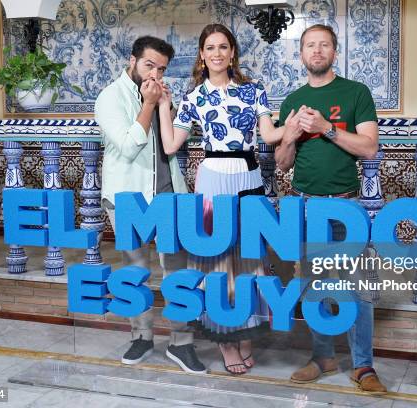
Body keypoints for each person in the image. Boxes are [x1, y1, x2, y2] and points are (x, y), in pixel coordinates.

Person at [156, 23, 286, 375]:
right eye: (210, 47)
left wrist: (298, 124)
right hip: (212, 178)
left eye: (223, 47)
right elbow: (171, 145)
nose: (216, 53)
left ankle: (246, 335)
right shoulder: (194, 97)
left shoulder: (254, 91)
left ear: (232, 53)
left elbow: (270, 134)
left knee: (251, 260)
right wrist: (166, 105)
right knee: (215, 262)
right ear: (202, 54)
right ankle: (227, 342)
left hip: (249, 177)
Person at [274, 24, 387, 394]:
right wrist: (288, 137)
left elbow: (370, 148)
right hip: (307, 208)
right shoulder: (293, 100)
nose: (317, 51)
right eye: (310, 45)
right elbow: (282, 163)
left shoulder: (355, 93)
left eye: (324, 45)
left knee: (359, 289)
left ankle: (362, 365)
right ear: (302, 54)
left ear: (334, 52)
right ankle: (322, 357)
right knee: (312, 286)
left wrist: (326, 128)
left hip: (346, 208)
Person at [94, 36, 206, 374]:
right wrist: (148, 104)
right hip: (128, 196)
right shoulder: (109, 98)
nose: (155, 74)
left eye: (161, 68)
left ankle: (181, 344)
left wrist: (163, 107)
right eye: (149, 65)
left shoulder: (159, 96)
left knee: (178, 270)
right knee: (134, 270)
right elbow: (129, 147)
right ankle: (141, 336)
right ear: (132, 60)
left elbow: (170, 146)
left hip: (168, 195)